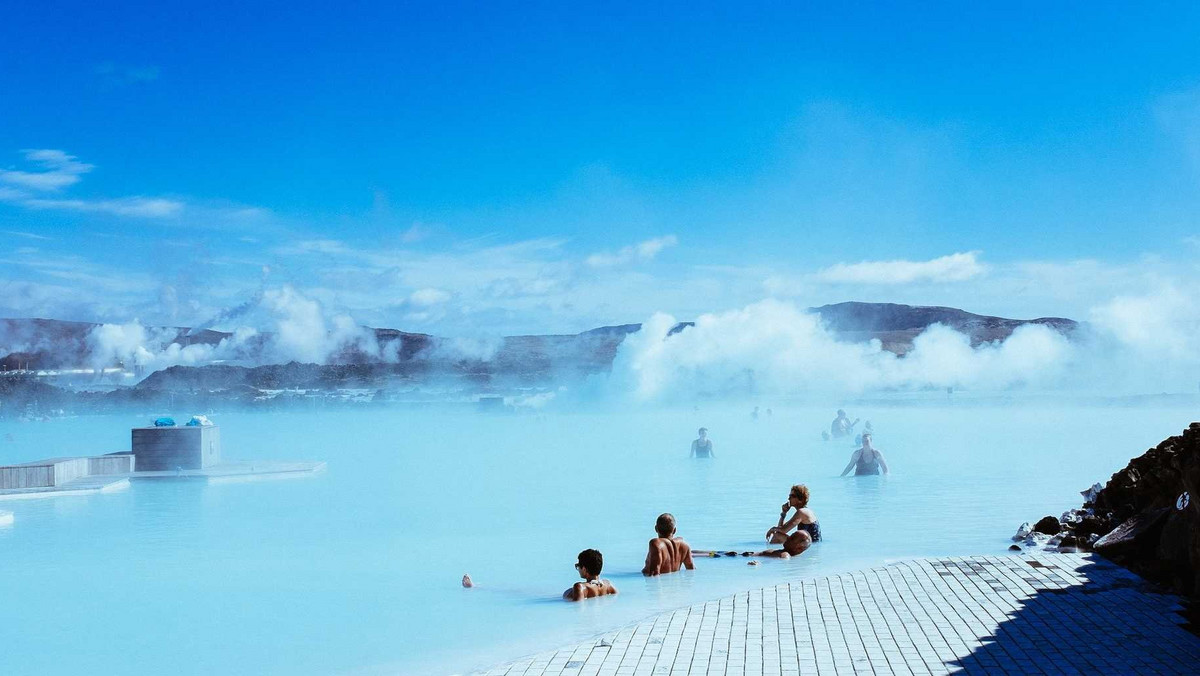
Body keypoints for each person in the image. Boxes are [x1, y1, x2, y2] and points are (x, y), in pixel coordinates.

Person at [697, 531, 812, 559]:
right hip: (740, 555)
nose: (788, 537)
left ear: (799, 547)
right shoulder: (784, 551)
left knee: (705, 554)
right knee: (705, 552)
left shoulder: (785, 555)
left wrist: (757, 564)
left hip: (739, 557)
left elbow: (782, 561)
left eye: (792, 538)